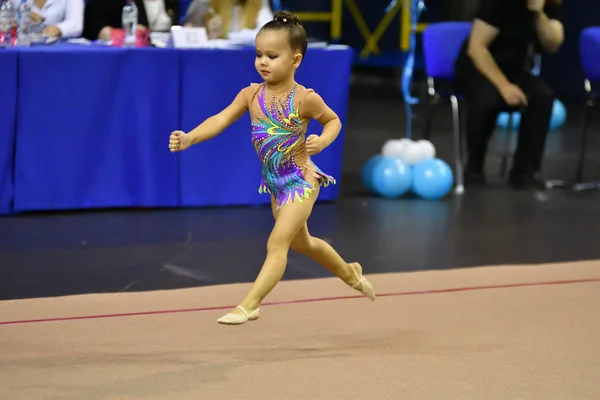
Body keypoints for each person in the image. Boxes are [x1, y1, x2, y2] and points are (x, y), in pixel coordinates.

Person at [168, 10, 376, 325]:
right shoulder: (251, 94)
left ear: (296, 60)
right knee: (303, 243)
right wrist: (190, 138)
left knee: (277, 243)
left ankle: (250, 304)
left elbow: (333, 120)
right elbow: (220, 119)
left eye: (272, 56)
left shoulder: (304, 98)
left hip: (302, 181)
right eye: (259, 55)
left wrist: (321, 141)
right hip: (276, 185)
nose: (263, 62)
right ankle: (350, 272)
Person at [454, 0, 564, 189]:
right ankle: (474, 168)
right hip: (477, 69)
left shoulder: (547, 5)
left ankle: (525, 172)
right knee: (487, 100)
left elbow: (553, 44)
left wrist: (538, 14)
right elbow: (476, 48)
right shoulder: (498, 4)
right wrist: (504, 86)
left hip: (514, 70)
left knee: (542, 96)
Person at [11, 0, 84, 39]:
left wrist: (59, 29)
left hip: (56, 48)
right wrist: (20, 18)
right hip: (19, 45)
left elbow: (76, 23)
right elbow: (3, 19)